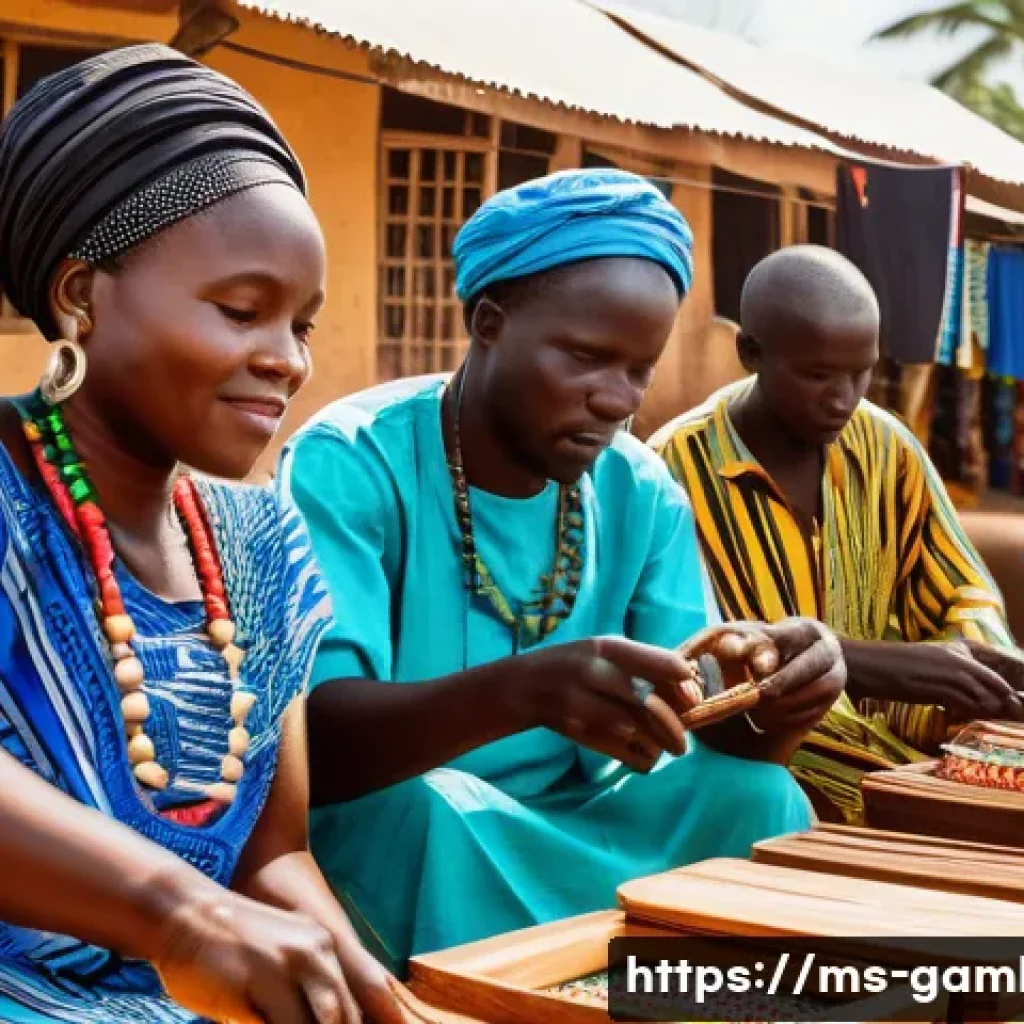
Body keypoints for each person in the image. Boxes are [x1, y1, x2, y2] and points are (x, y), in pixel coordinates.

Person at [278, 169, 846, 975]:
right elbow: (317, 747)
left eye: (640, 369)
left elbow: (688, 721)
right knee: (426, 812)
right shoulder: (353, 462)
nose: (619, 399)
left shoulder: (639, 489)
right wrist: (522, 690)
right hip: (423, 821)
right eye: (586, 358)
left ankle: (665, 986)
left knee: (761, 799)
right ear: (489, 322)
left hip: (579, 819)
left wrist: (776, 700)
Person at [0, 44, 418, 1024]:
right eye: (242, 311)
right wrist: (182, 915)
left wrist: (365, 992)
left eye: (303, 326)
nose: (284, 362)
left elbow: (274, 856)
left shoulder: (260, 539)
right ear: (79, 295)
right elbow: (208, 912)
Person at [651, 244, 1024, 824]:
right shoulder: (673, 472)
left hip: (913, 739)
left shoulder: (886, 444)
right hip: (778, 761)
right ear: (751, 352)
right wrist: (871, 663)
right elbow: (700, 668)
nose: (845, 399)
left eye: (861, 372)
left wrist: (974, 671)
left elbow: (961, 590)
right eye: (819, 375)